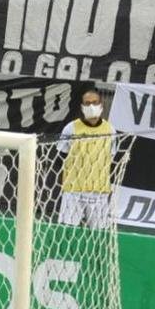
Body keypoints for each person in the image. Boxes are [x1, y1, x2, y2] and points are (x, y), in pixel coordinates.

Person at [56, 87, 116, 230]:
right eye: (87, 103)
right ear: (82, 107)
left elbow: (111, 159)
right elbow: (60, 156)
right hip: (73, 191)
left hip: (99, 192)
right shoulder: (71, 128)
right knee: (67, 231)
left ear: (101, 105)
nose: (91, 106)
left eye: (95, 103)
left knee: (99, 234)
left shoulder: (110, 130)